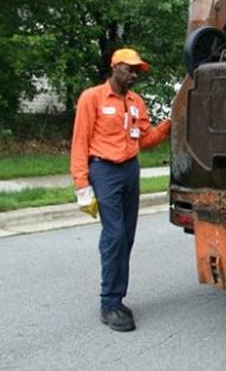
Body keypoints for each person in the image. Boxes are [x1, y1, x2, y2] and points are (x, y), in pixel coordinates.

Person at [70, 48, 171, 332]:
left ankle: (118, 296)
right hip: (104, 171)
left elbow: (145, 140)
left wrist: (169, 124)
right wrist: (82, 186)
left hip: (130, 170)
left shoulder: (136, 102)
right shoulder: (93, 98)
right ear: (115, 67)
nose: (134, 75)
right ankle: (109, 303)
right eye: (129, 69)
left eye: (137, 70)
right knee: (114, 236)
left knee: (126, 237)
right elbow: (80, 142)